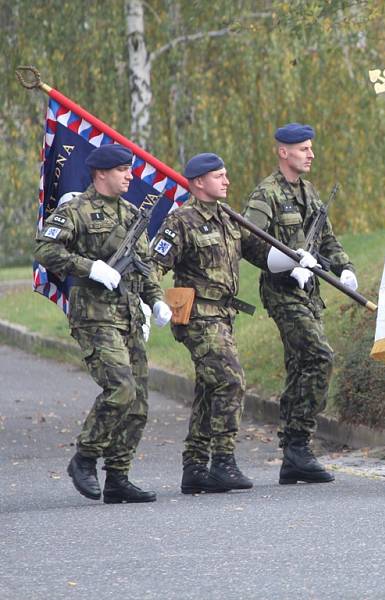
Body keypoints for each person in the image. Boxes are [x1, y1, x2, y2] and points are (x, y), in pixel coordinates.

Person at [34, 144, 172, 504]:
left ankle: (118, 477)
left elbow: (143, 265)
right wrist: (89, 267)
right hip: (94, 314)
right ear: (101, 174)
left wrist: (156, 299)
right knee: (121, 387)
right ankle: (84, 456)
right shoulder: (75, 210)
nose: (130, 176)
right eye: (123, 170)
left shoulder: (131, 213)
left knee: (139, 401)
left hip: (128, 313)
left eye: (130, 170)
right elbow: (45, 250)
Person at [150, 153, 273, 494]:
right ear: (199, 182)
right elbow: (153, 264)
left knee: (210, 386)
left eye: (226, 174)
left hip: (223, 315)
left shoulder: (228, 219)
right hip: (195, 315)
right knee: (230, 380)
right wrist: (153, 301)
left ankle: (195, 466)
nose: (227, 181)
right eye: (220, 176)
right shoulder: (180, 222)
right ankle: (223, 462)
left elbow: (260, 252)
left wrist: (294, 262)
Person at [242, 123, 357, 485]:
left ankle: (294, 451)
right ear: (283, 152)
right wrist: (284, 260)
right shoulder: (267, 193)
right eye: (303, 149)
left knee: (299, 365)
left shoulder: (310, 192)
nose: (310, 154)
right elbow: (248, 241)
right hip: (282, 290)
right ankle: (299, 447)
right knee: (319, 356)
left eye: (310, 148)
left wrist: (346, 268)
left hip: (309, 292)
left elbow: (327, 239)